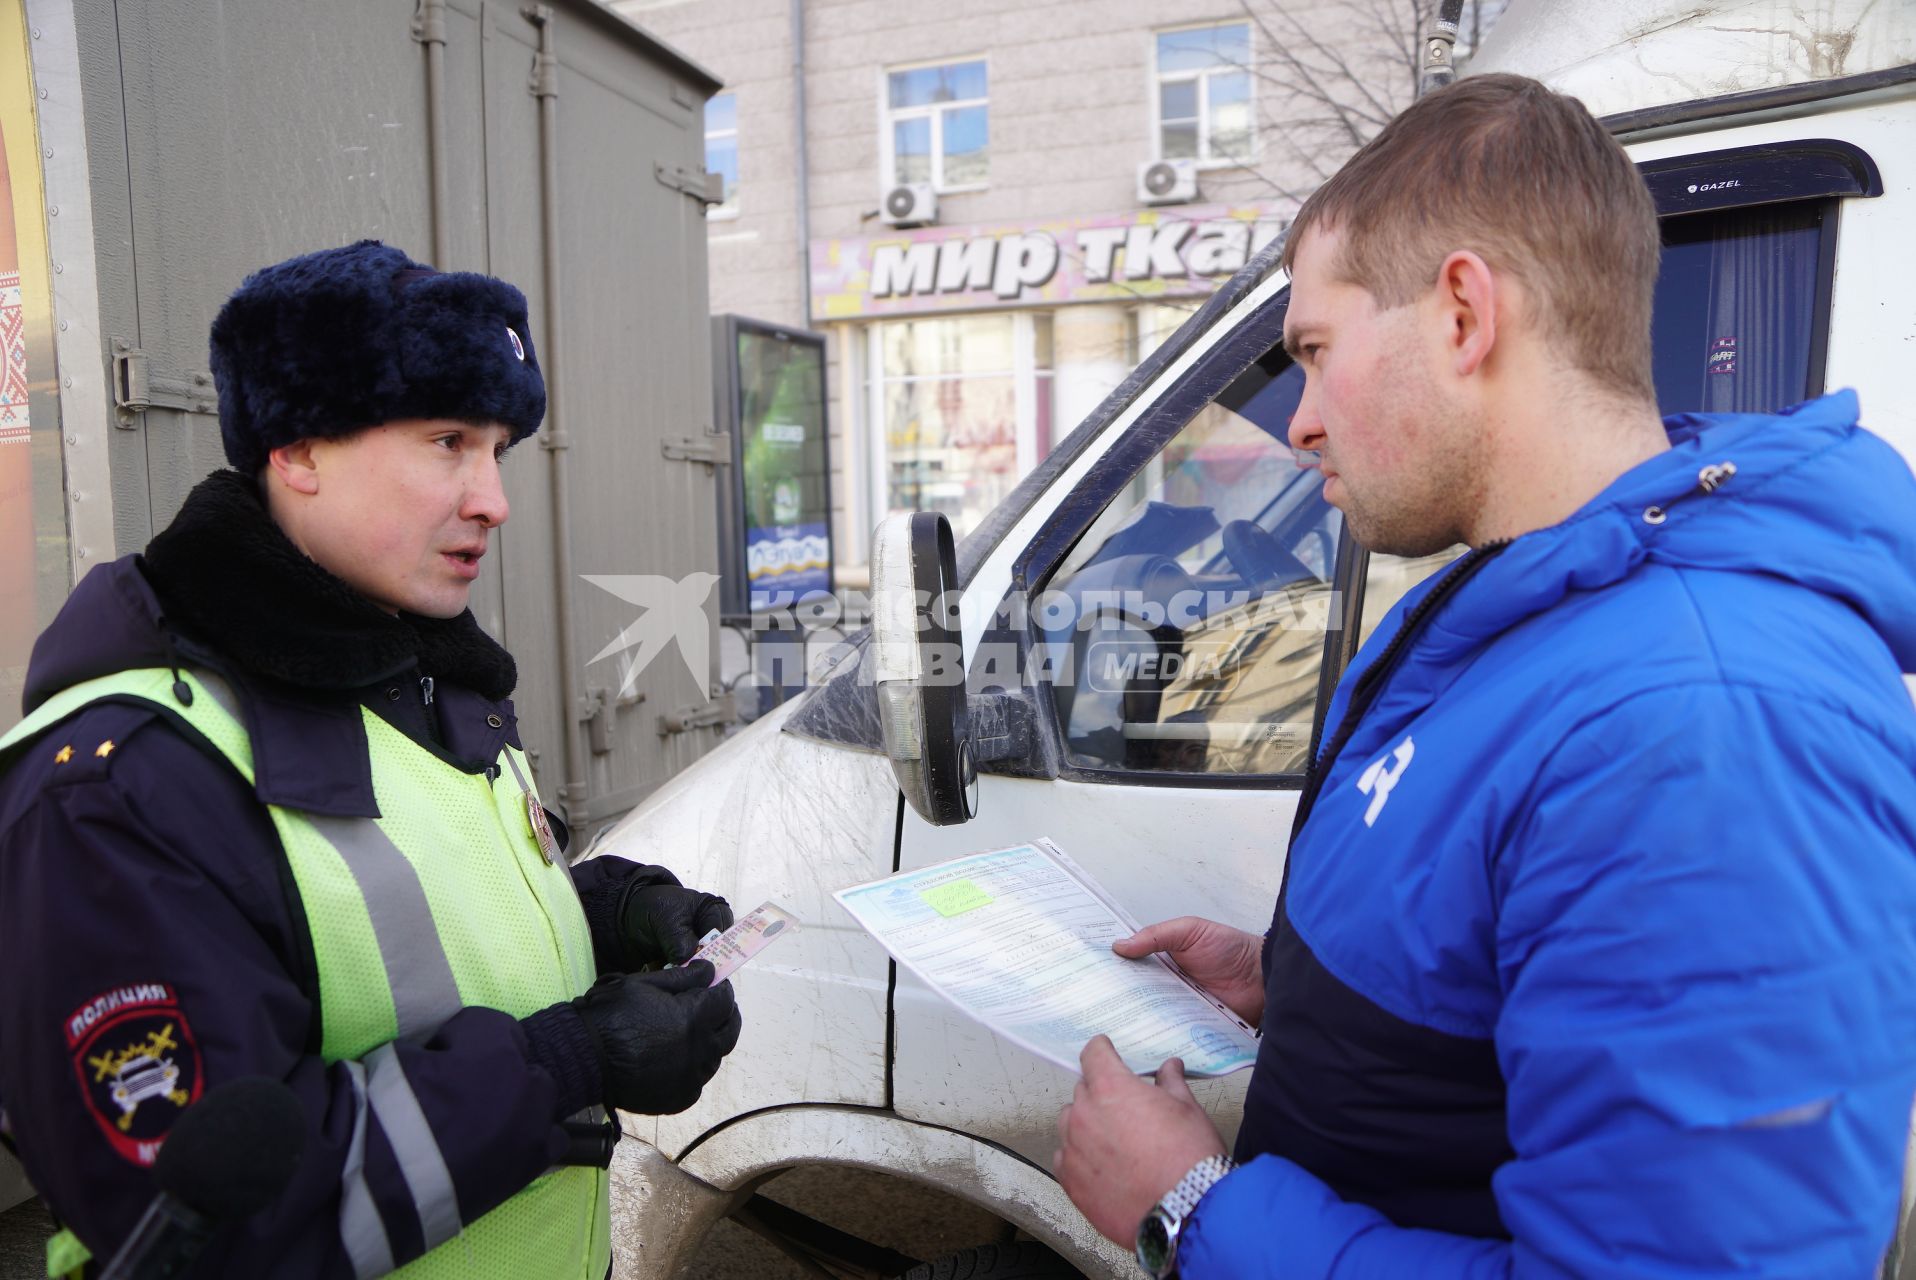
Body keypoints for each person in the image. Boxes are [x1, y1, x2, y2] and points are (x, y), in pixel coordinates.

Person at [1053, 74, 1916, 1278]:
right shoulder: (1536, 604)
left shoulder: (1702, 722)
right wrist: (1288, 985)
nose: (1296, 423)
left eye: (1313, 350)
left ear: (1461, 313)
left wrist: (1192, 1207)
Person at [0, 241, 744, 1278]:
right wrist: (566, 1058)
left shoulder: (422, 678)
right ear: (297, 449)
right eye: (447, 441)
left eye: (497, 448)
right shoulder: (123, 784)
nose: (492, 498)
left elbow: (372, 930)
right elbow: (211, 1231)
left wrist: (593, 913)